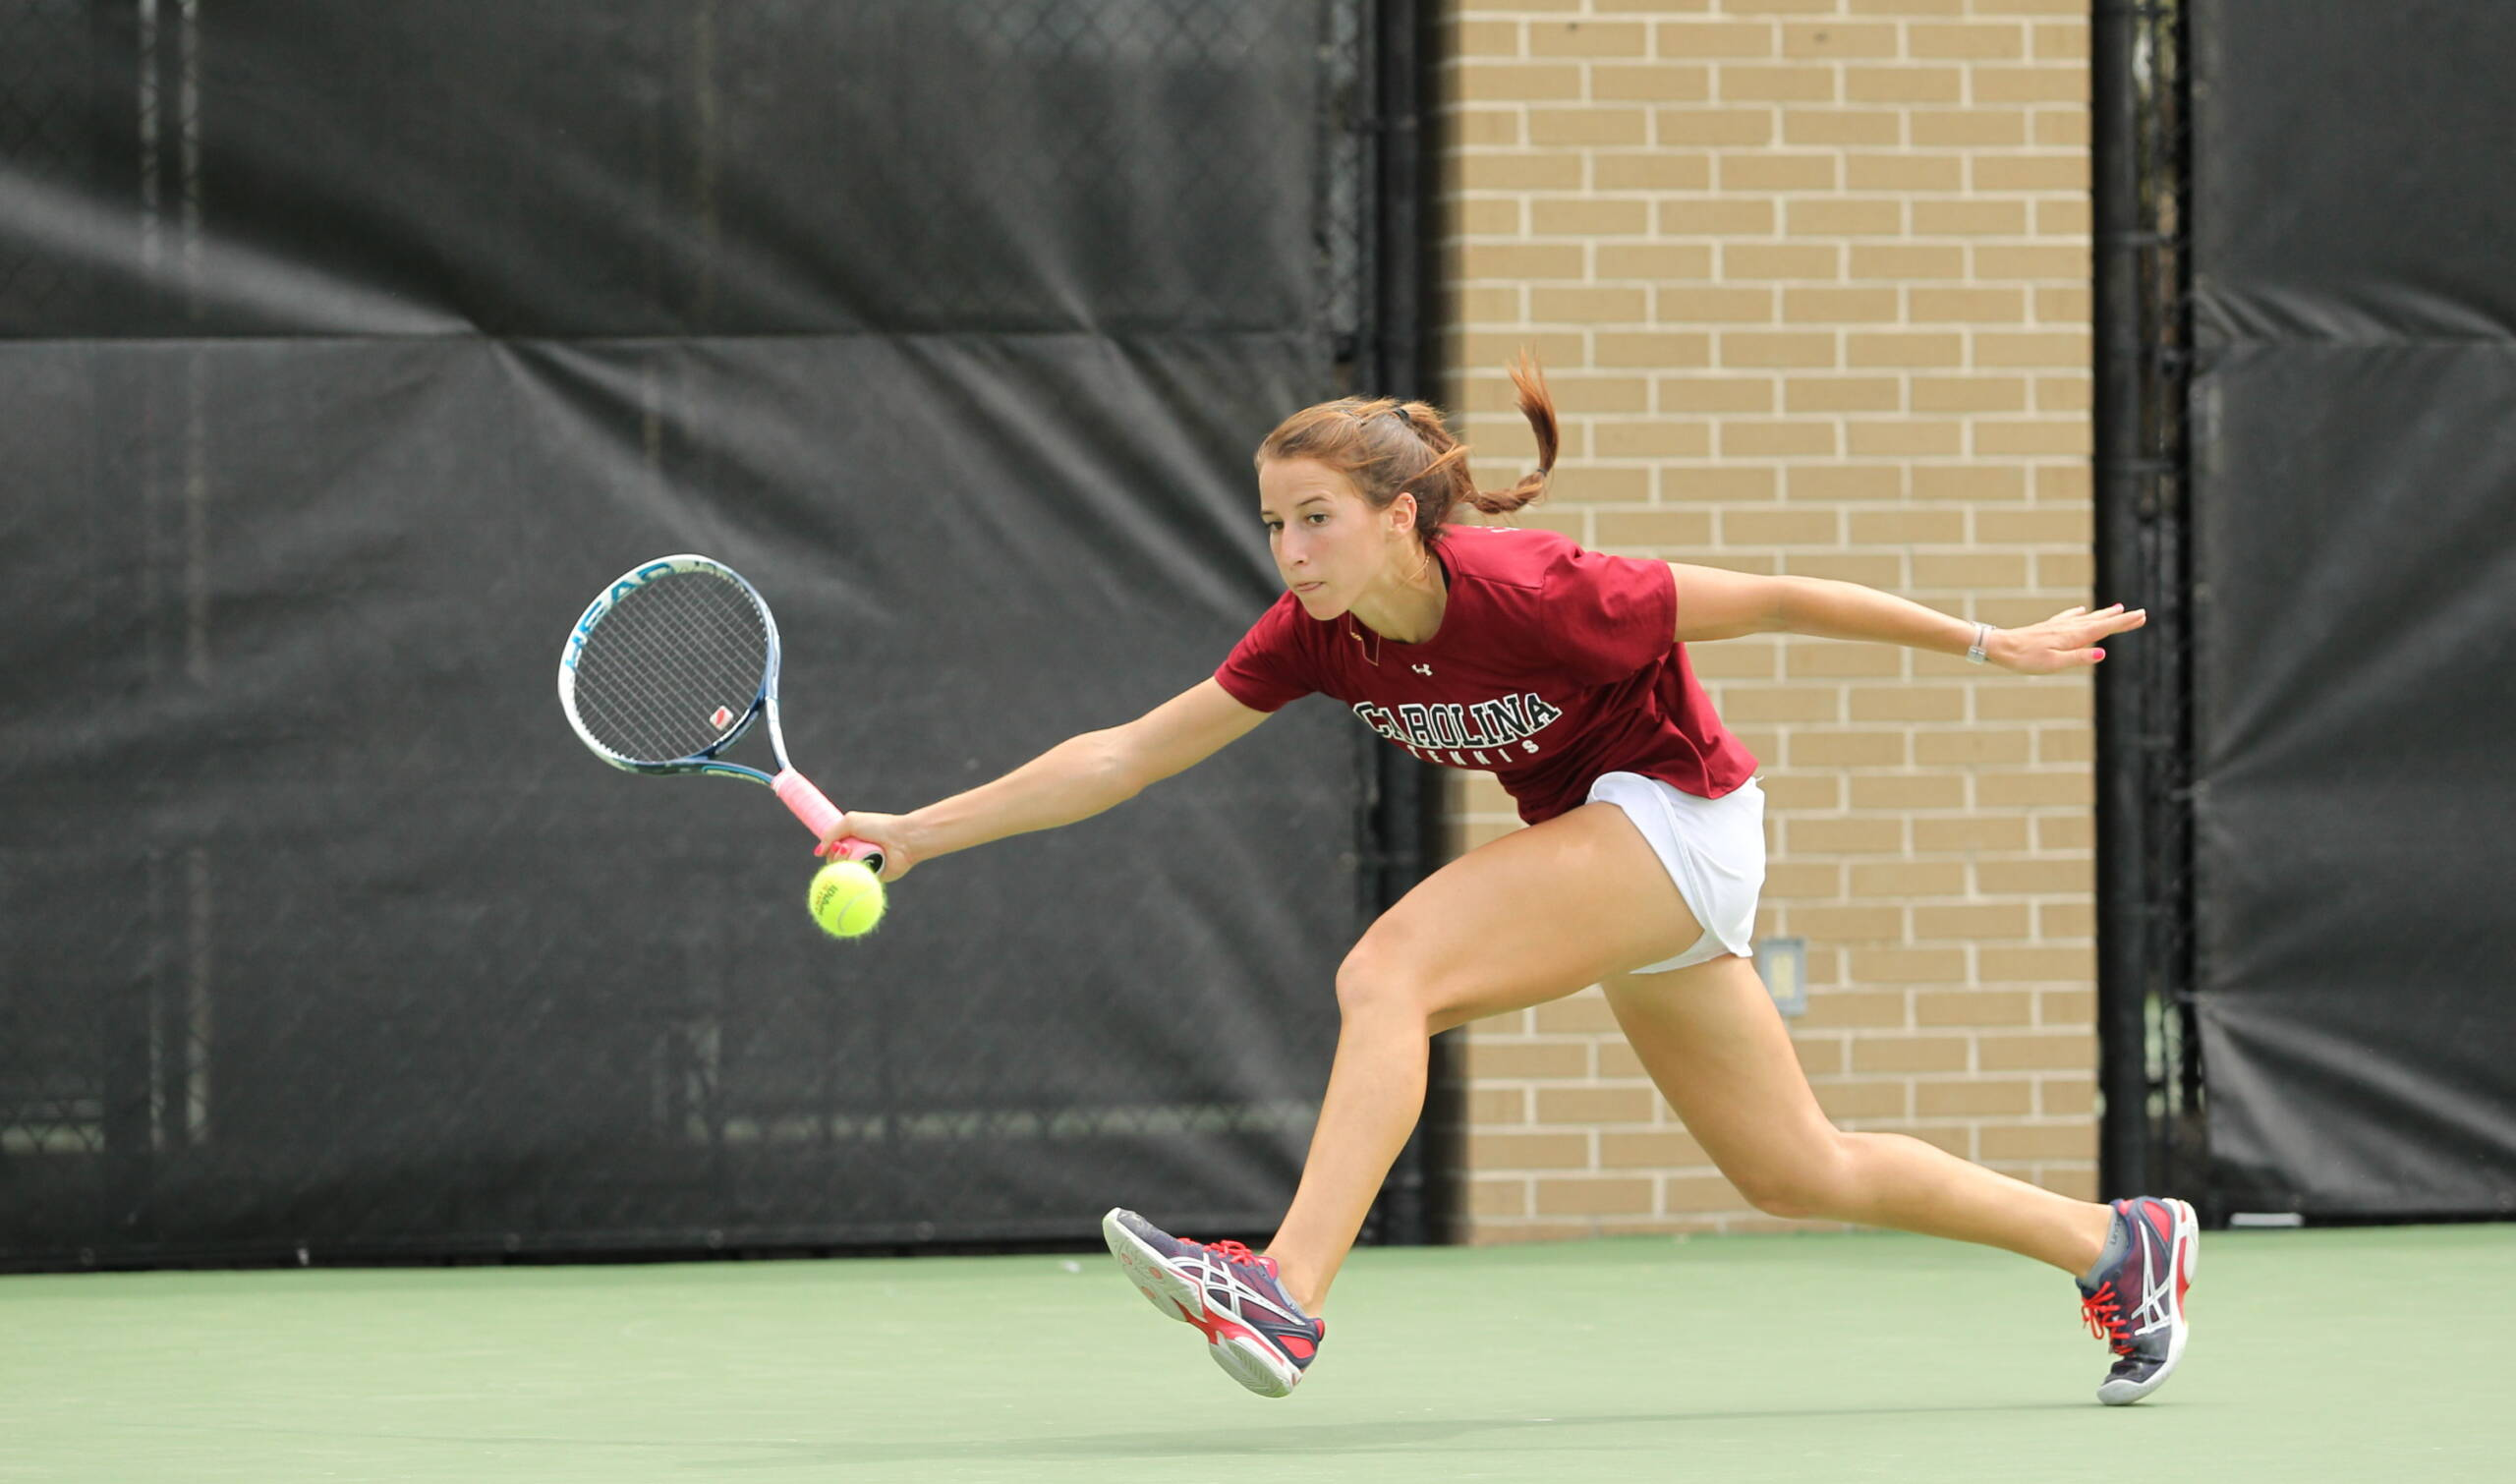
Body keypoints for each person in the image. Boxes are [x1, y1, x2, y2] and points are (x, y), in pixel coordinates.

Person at [816, 355, 2194, 1408]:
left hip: (1679, 817)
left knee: (1388, 972)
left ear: (1403, 516)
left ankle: (1285, 1290)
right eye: (1274, 525)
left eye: (1317, 520)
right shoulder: (1320, 634)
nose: (1292, 552)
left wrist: (1984, 644)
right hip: (1625, 855)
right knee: (1795, 1166)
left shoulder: (1541, 589)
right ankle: (2114, 1243)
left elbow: (1772, 594)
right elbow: (1126, 753)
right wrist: (919, 831)